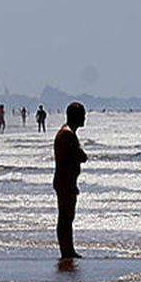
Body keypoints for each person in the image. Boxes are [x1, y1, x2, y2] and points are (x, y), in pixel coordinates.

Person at [53, 101, 88, 259]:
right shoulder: (67, 134)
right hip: (65, 180)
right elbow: (79, 156)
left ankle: (68, 249)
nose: (84, 118)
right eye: (82, 115)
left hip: (67, 180)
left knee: (68, 216)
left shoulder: (69, 133)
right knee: (65, 217)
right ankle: (66, 251)